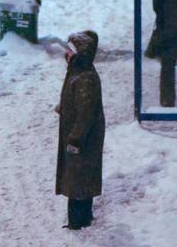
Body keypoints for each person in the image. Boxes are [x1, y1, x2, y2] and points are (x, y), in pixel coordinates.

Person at [55, 29, 105, 231]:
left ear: (80, 53)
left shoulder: (84, 77)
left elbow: (86, 113)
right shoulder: (77, 71)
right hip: (81, 134)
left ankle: (78, 221)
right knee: (79, 175)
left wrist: (75, 138)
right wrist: (63, 106)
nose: (66, 54)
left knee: (78, 177)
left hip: (83, 137)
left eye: (70, 51)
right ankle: (82, 217)